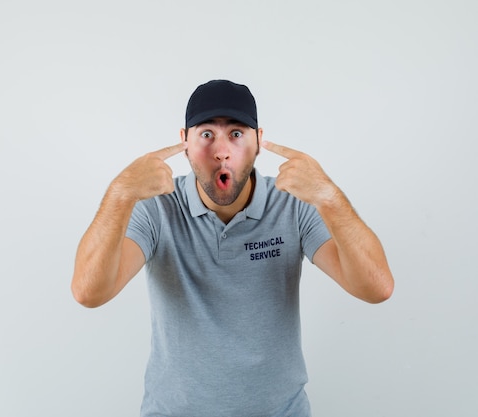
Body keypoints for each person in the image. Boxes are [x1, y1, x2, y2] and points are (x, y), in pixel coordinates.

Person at [71, 79, 394, 417]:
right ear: (184, 141)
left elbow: (376, 287)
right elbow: (89, 292)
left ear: (258, 142)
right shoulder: (156, 207)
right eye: (206, 134)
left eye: (237, 134)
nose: (221, 151)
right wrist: (121, 194)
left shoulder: (294, 203)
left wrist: (329, 197)